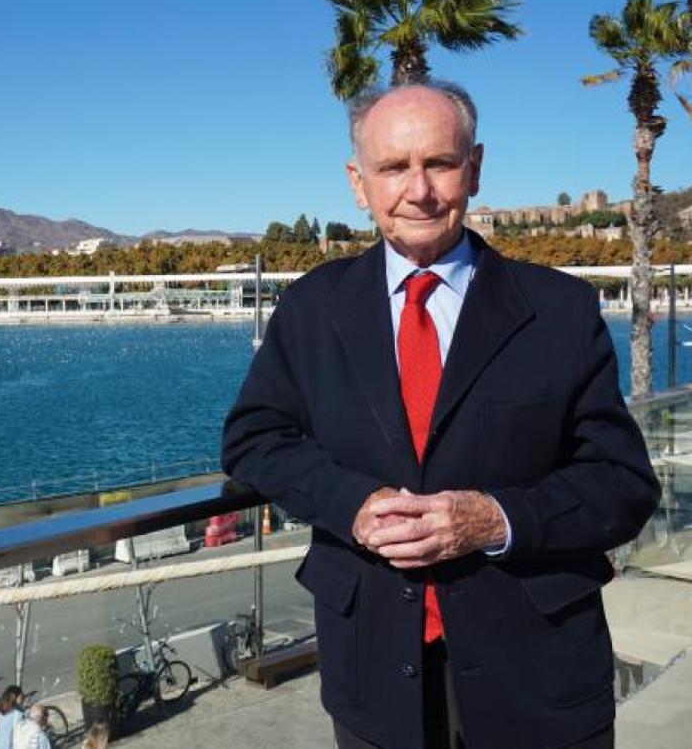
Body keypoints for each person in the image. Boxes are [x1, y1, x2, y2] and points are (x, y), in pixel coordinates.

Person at [221, 80, 659, 749]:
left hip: (537, 678)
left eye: (440, 164)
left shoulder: (560, 312)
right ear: (358, 183)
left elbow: (622, 485)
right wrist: (352, 504)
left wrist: (494, 519)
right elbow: (254, 439)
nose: (418, 190)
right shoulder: (312, 309)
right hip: (375, 678)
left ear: (474, 169)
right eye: (393, 167)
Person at [0, 685, 24, 749]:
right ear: (15, 698)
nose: (23, 699)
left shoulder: (0, 711)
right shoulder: (18, 714)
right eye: (21, 696)